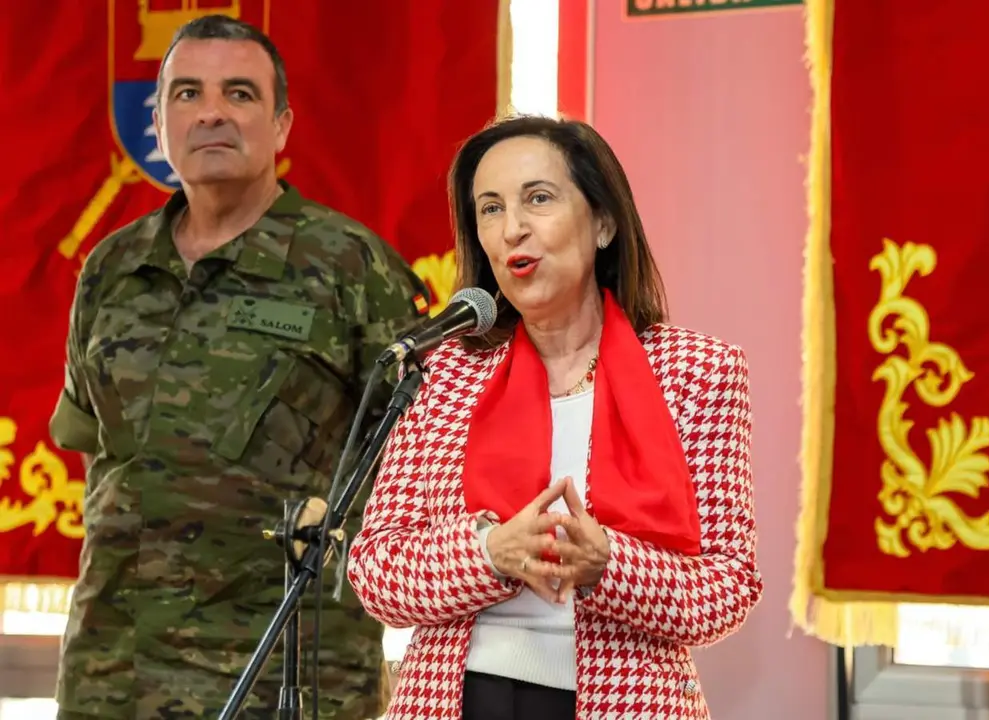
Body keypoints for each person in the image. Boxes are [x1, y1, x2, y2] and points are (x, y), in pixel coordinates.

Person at [48, 14, 430, 720]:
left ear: (281, 125)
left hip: (281, 676)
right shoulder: (111, 269)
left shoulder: (354, 270)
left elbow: (423, 465)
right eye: (187, 94)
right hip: (113, 673)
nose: (213, 112)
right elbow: (94, 451)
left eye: (241, 94)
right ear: (158, 122)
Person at [346, 114, 764, 720]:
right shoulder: (442, 375)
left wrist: (609, 565)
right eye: (489, 209)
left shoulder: (698, 372)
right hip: (455, 700)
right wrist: (489, 552)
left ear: (602, 222)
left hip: (626, 703)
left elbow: (728, 589)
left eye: (537, 199)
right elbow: (377, 569)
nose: (512, 228)